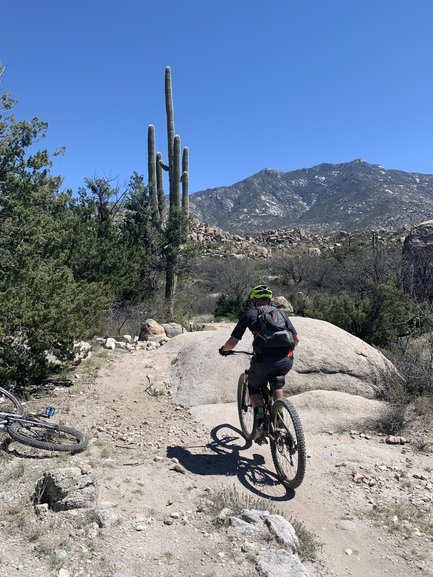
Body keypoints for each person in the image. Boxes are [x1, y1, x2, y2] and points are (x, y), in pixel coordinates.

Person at [219, 284, 299, 439]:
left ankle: (261, 420)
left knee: (254, 386)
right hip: (285, 360)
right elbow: (296, 339)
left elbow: (233, 341)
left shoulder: (250, 314)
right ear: (269, 300)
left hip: (263, 361)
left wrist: (224, 349)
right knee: (277, 383)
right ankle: (279, 416)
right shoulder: (280, 313)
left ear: (254, 301)